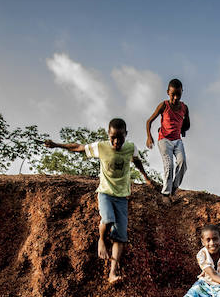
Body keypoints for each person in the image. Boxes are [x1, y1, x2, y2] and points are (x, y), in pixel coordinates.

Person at [45, 118, 158, 285]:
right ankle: (101, 240)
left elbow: (137, 162)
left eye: (120, 137)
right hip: (105, 192)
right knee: (107, 219)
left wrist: (147, 179)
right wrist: (56, 145)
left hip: (122, 196)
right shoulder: (101, 146)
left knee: (120, 236)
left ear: (126, 134)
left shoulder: (130, 148)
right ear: (108, 134)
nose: (116, 141)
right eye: (113, 137)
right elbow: (78, 147)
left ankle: (113, 273)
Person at [145, 78, 190, 202]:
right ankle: (165, 194)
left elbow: (187, 124)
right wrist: (149, 137)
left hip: (177, 140)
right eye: (173, 94)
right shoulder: (164, 105)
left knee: (183, 163)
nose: (175, 97)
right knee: (169, 165)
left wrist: (183, 129)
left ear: (182, 92)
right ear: (167, 92)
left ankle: (174, 188)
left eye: (178, 94)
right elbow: (149, 121)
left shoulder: (184, 107)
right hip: (164, 139)